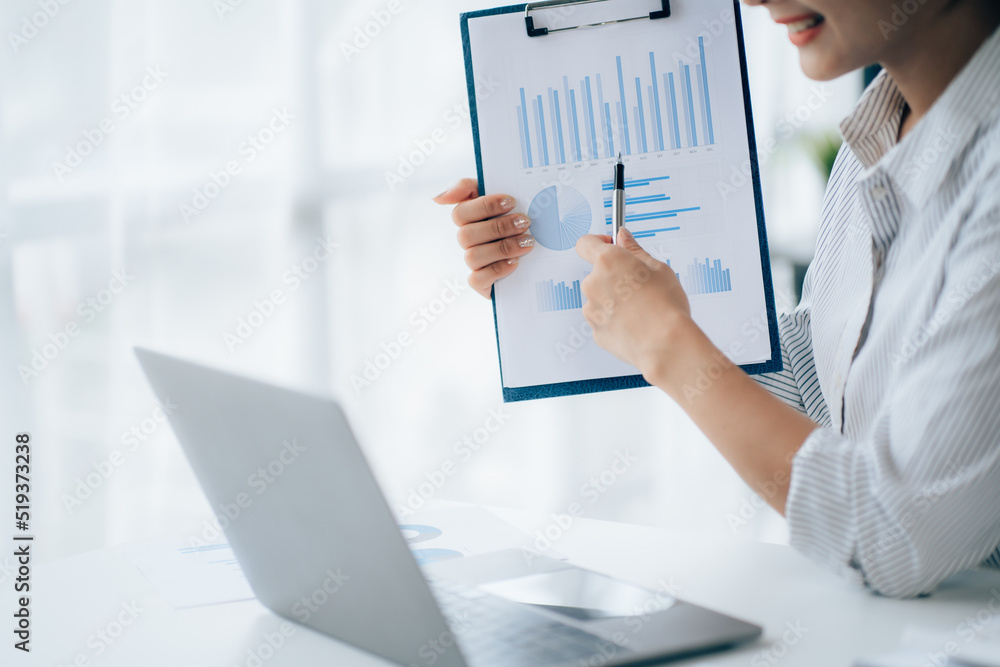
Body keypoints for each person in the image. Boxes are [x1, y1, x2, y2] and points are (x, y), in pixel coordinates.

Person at [434, 0, 1000, 598]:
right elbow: (821, 390)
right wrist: (615, 303)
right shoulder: (884, 135)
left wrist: (668, 342)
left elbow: (890, 536)